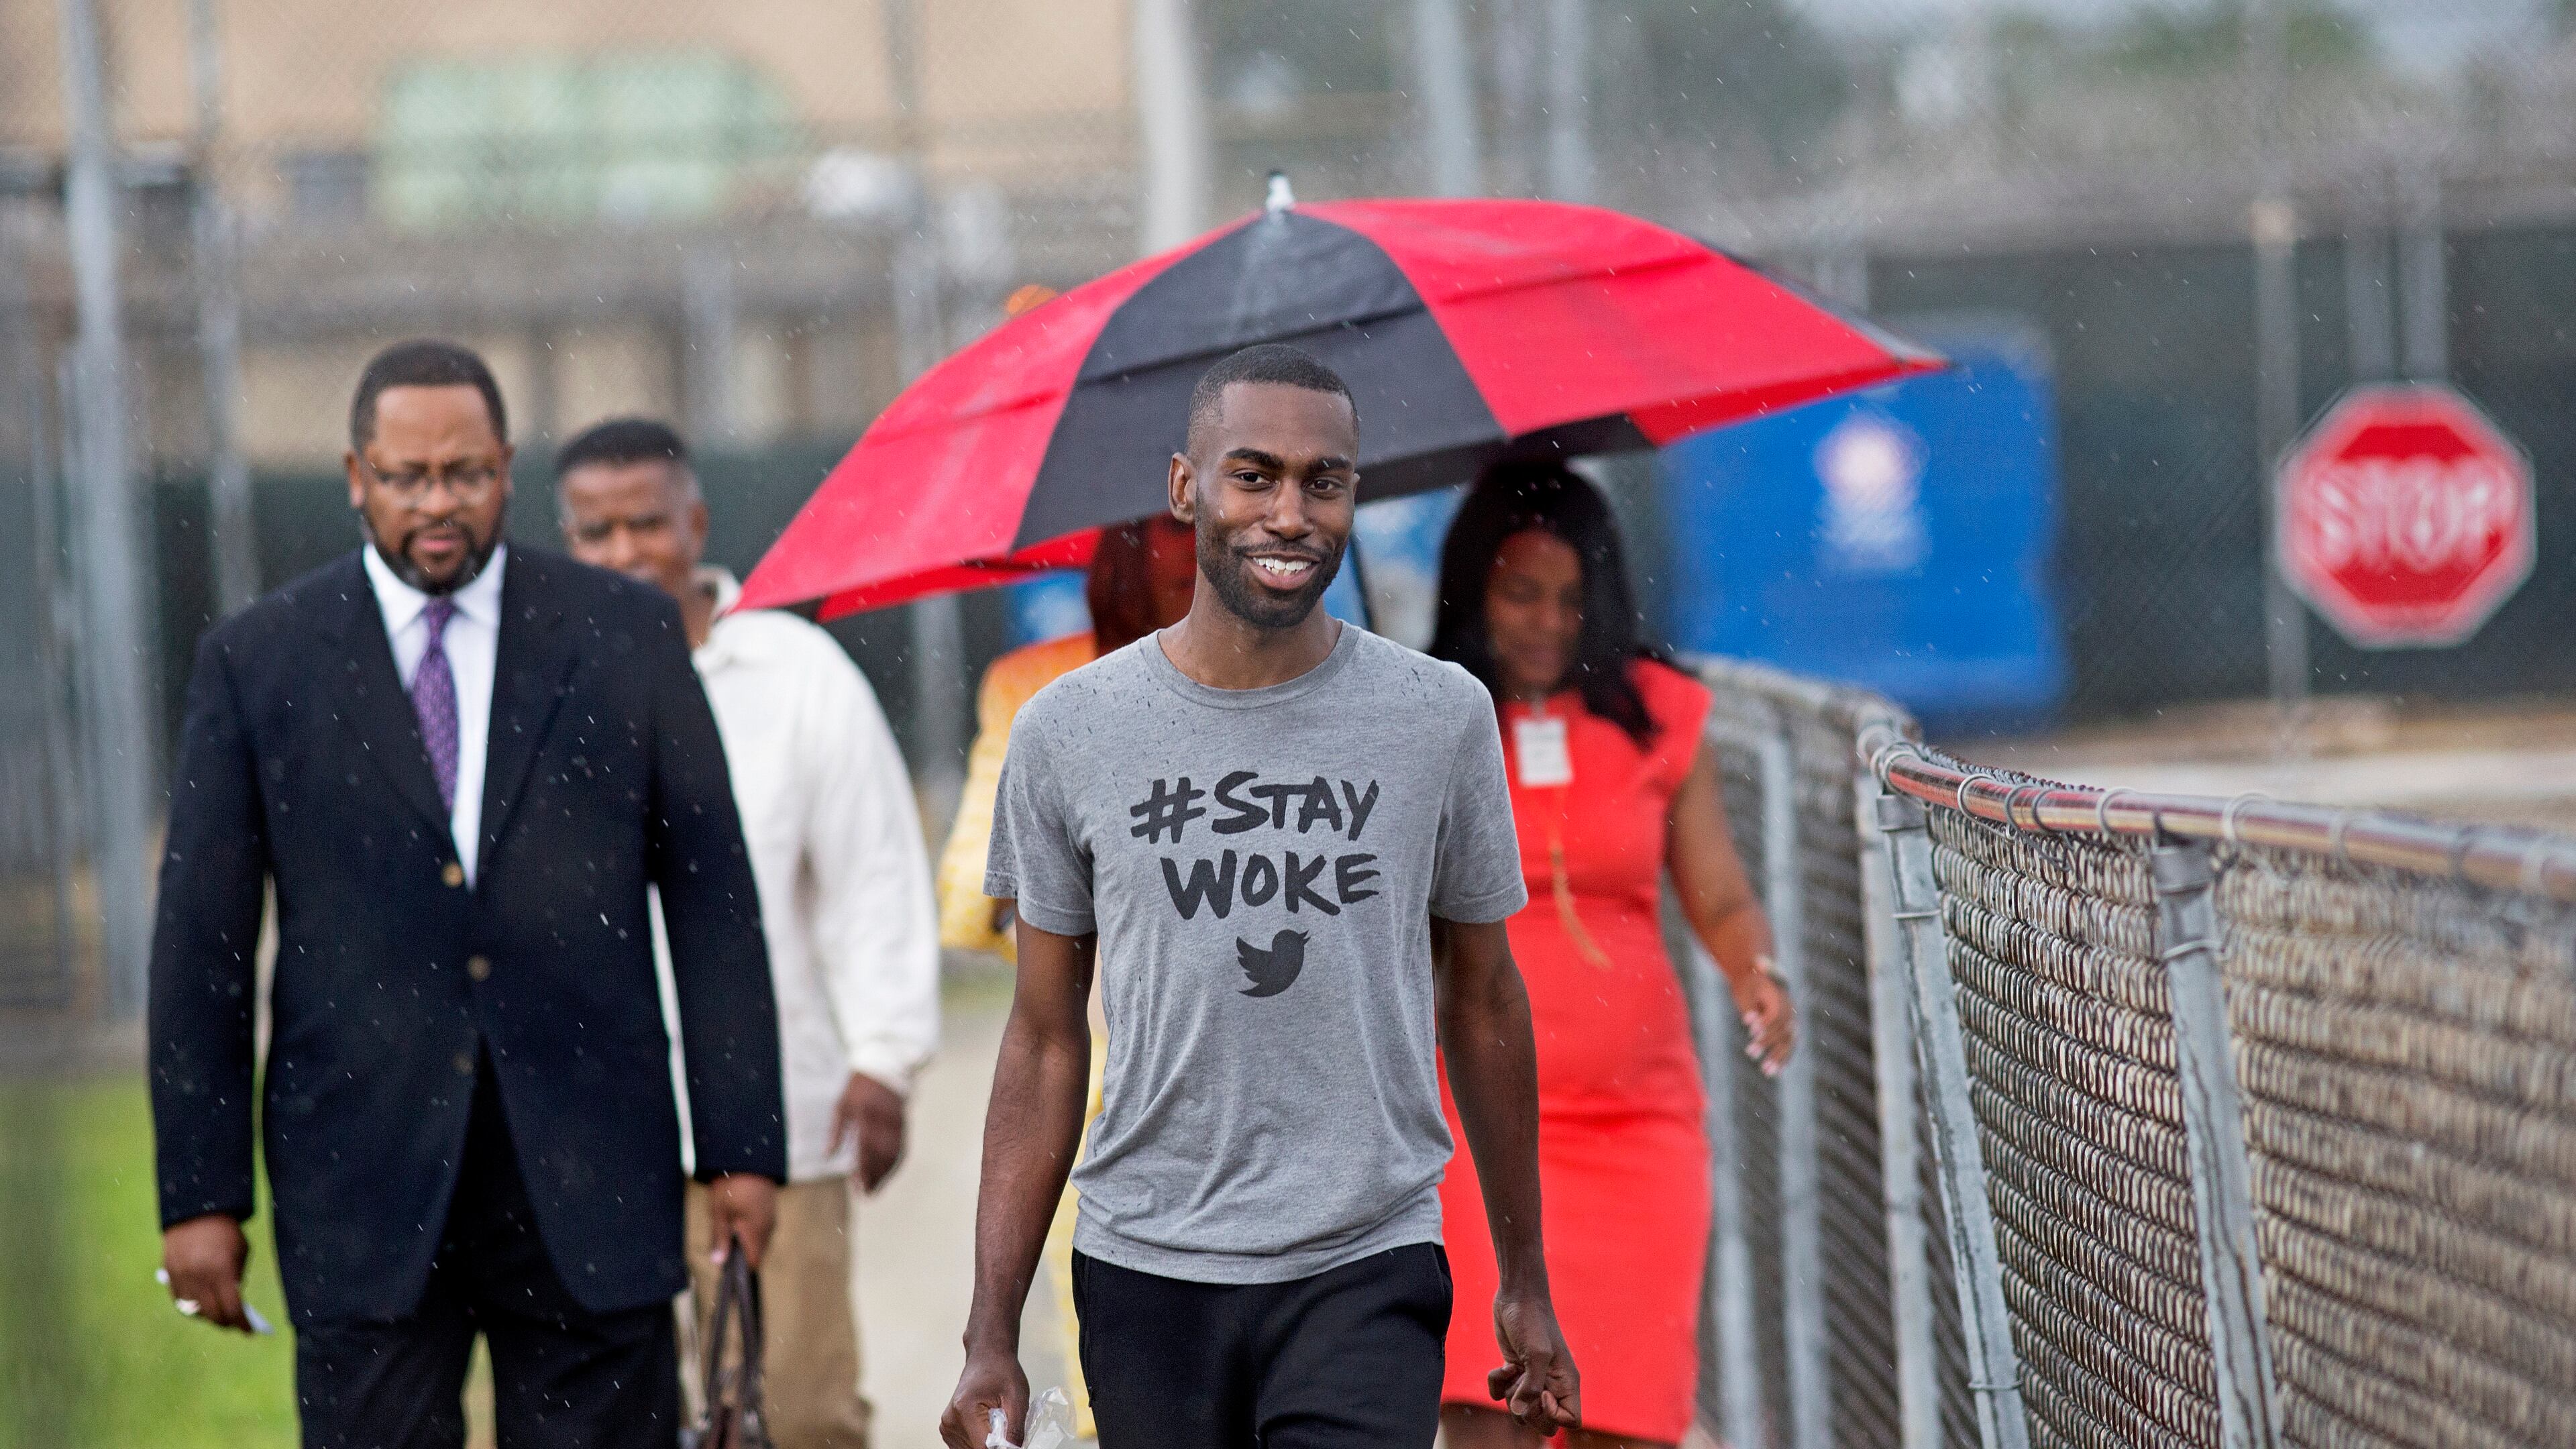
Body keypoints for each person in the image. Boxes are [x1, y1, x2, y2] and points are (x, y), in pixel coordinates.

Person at [941, 343, 1581, 1449]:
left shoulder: (1438, 718)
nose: (1291, 511)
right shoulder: (1070, 730)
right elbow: (1045, 1039)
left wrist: (1524, 1276)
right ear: (1187, 489)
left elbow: (1482, 1000)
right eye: (1254, 475)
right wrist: (990, 1332)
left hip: (1366, 1258)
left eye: (1323, 482)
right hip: (1146, 1270)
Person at [150, 341, 785, 1448]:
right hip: (365, 1187)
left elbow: (713, 899)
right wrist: (198, 1194)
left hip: (590, 1178)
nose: (437, 505)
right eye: (407, 478)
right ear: (357, 476)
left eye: (466, 475)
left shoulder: (619, 633)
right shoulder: (260, 662)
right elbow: (200, 945)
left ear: (505, 467)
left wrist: (742, 1147)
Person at [555, 417, 939, 1449]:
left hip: (778, 1121)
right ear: (566, 541)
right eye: (598, 532)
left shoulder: (797, 673)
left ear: (698, 522)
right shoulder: (543, 688)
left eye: (649, 523)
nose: (628, 552)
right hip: (590, 1136)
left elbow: (873, 874)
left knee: (797, 1412)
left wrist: (885, 1061)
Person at [1426, 464, 1795, 1449]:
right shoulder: (1422, 722)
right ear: (1472, 589)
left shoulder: (1663, 716)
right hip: (1473, 1131)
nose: (1548, 622)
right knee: (1486, 1409)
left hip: (1639, 1129)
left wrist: (1757, 969)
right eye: (1520, 593)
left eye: (1571, 600)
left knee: (1625, 1413)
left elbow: (1719, 895)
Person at [936, 514, 1198, 960]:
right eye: (1180, 526)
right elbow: (973, 889)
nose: (1202, 547)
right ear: (1128, 548)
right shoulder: (1034, 687)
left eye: (1224, 524)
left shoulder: (1296, 685)